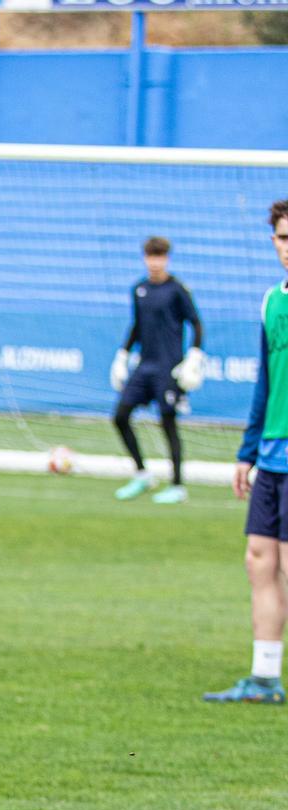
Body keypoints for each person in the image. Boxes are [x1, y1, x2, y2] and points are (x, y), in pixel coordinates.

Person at [203, 200, 288, 705]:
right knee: (259, 562)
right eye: (282, 238)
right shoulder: (271, 302)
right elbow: (266, 383)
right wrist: (247, 450)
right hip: (274, 456)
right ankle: (263, 678)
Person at [110, 236, 205, 504]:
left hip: (168, 368)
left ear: (167, 259)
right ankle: (142, 474)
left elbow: (196, 323)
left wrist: (194, 356)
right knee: (120, 416)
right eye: (150, 256)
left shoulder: (177, 289)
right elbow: (137, 325)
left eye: (159, 256)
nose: (154, 262)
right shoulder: (139, 289)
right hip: (144, 366)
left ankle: (177, 485)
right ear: (144, 258)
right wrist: (122, 355)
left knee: (168, 423)